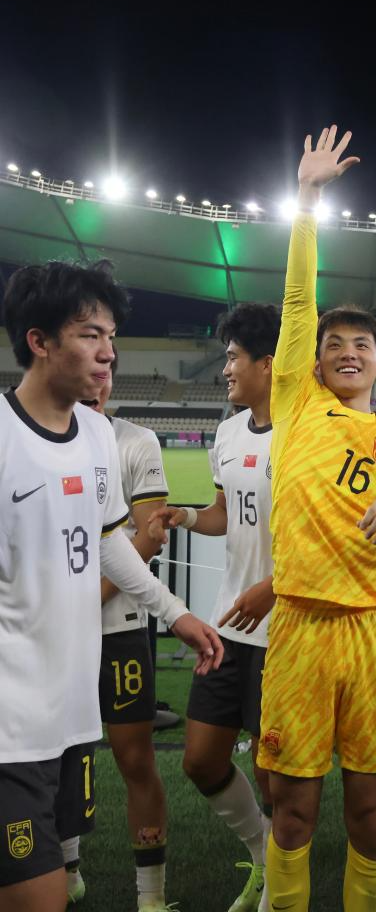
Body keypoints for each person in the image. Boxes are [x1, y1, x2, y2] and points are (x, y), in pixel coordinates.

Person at [228, 127, 376, 912]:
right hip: (298, 629)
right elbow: (298, 300)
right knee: (291, 811)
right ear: (314, 361)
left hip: (374, 636)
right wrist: (306, 198)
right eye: (333, 343)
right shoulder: (297, 403)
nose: (346, 351)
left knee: (370, 811)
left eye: (362, 344)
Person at [0, 259, 223, 912]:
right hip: (10, 721)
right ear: (39, 341)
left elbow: (106, 541)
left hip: (69, 715)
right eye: (89, 334)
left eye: (111, 335)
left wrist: (175, 613)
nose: (108, 352)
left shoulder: (98, 434)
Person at [150, 302, 280, 912]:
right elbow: (225, 514)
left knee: (277, 776)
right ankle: (263, 854)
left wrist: (277, 585)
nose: (225, 369)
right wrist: (185, 515)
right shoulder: (228, 433)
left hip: (287, 631)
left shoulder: (309, 435)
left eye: (233, 357)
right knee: (201, 760)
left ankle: (280, 885)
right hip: (231, 624)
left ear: (268, 363)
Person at [63, 350, 174, 910]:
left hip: (118, 626)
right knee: (58, 752)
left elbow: (148, 536)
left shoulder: (136, 441)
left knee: (134, 758)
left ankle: (150, 896)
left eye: (104, 371)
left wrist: (86, 604)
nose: (96, 382)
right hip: (53, 633)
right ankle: (66, 868)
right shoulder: (29, 440)